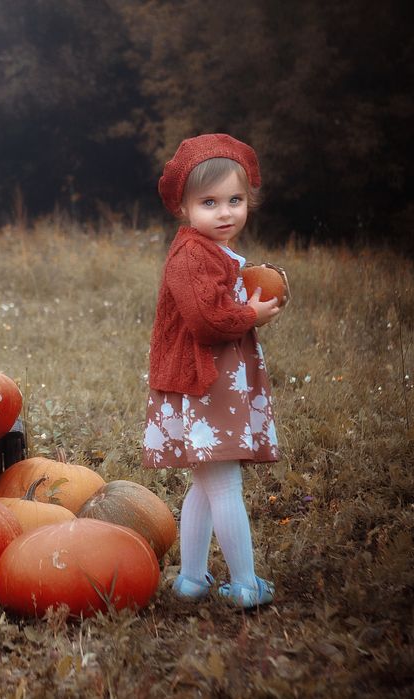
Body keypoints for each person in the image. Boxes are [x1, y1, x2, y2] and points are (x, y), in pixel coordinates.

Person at [142, 133, 283, 609]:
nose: (225, 212)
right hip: (203, 382)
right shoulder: (189, 255)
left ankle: (192, 579)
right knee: (224, 484)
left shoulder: (210, 251)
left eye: (235, 200)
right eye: (210, 202)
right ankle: (245, 584)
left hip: (210, 380)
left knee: (205, 483)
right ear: (182, 207)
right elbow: (208, 320)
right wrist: (252, 315)